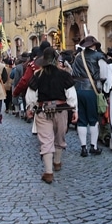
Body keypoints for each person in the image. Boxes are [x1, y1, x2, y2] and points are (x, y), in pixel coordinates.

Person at [25, 47, 78, 183]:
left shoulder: (37, 75)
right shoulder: (64, 75)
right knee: (59, 136)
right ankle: (57, 162)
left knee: (46, 140)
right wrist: (75, 110)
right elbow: (71, 94)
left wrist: (30, 108)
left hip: (43, 110)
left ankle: (48, 172)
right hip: (61, 110)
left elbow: (30, 95)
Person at [71, 36, 108, 157]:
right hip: (91, 90)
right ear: (95, 45)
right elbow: (103, 75)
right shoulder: (99, 57)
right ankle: (93, 146)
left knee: (81, 120)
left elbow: (73, 73)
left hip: (78, 90)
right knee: (93, 119)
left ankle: (83, 148)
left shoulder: (77, 57)